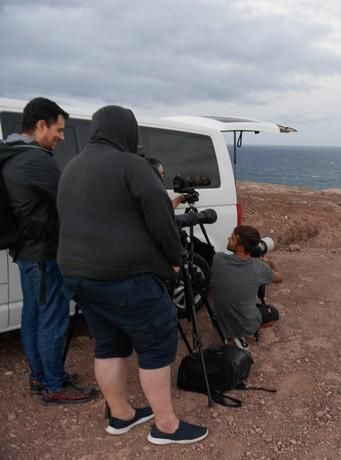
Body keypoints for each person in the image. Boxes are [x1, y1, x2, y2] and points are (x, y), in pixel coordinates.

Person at [57, 105, 207, 445]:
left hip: (78, 276)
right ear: (127, 131)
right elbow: (161, 218)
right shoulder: (131, 164)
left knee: (109, 345)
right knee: (155, 344)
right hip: (125, 277)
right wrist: (174, 260)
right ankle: (166, 426)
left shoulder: (72, 166)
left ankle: (121, 415)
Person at [1, 97, 97, 404]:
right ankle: (54, 386)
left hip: (26, 252)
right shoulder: (35, 160)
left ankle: (39, 376)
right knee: (52, 318)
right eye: (58, 129)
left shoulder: (12, 153)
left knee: (33, 316)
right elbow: (70, 198)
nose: (61, 136)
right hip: (43, 255)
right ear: (40, 125)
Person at [212, 225, 283, 348]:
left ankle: (233, 331)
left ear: (240, 247)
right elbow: (279, 279)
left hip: (220, 320)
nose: (228, 238)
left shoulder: (218, 259)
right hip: (243, 325)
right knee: (274, 315)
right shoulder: (258, 267)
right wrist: (270, 264)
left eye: (232, 238)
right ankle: (243, 332)